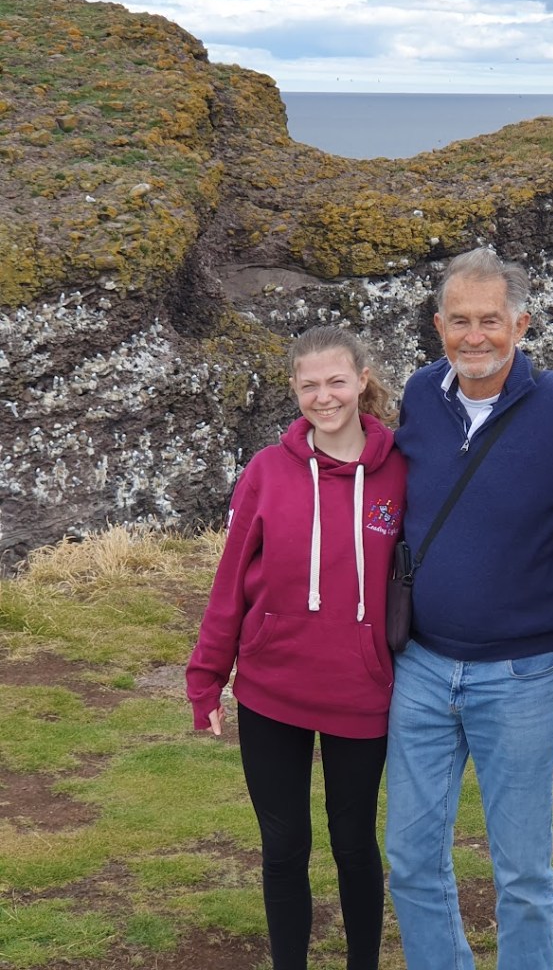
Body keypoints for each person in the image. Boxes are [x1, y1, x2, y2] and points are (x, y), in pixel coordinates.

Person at [384, 246, 553, 970]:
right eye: (459, 320)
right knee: (410, 860)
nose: (475, 335)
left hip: (522, 677)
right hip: (421, 670)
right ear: (437, 325)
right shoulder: (420, 397)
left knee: (523, 876)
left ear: (521, 324)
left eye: (491, 319)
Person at [185, 326, 407, 970]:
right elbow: (230, 582)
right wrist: (206, 680)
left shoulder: (401, 467)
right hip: (271, 689)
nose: (324, 396)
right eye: (309, 384)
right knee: (283, 846)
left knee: (354, 844)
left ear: (363, 380)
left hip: (361, 692)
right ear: (294, 389)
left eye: (336, 381)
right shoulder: (267, 470)